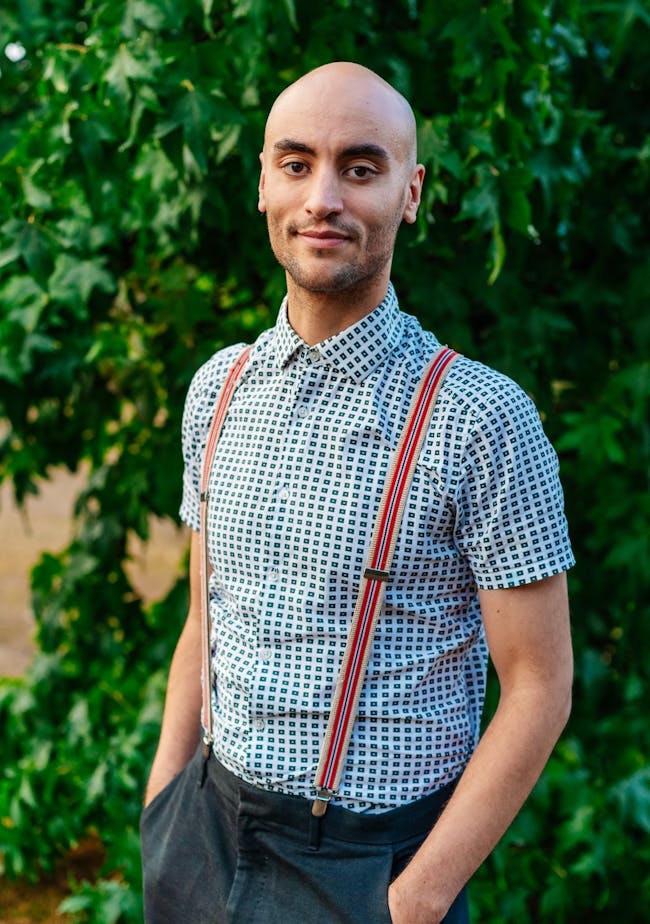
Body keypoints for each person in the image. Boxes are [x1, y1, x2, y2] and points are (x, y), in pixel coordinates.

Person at [140, 62, 574, 924]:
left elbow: (539, 686)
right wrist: (164, 800)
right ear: (263, 184)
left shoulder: (481, 419)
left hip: (370, 870)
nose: (324, 197)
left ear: (409, 193)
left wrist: (415, 901)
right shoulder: (217, 387)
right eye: (296, 164)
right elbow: (207, 609)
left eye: (361, 167)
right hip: (200, 837)